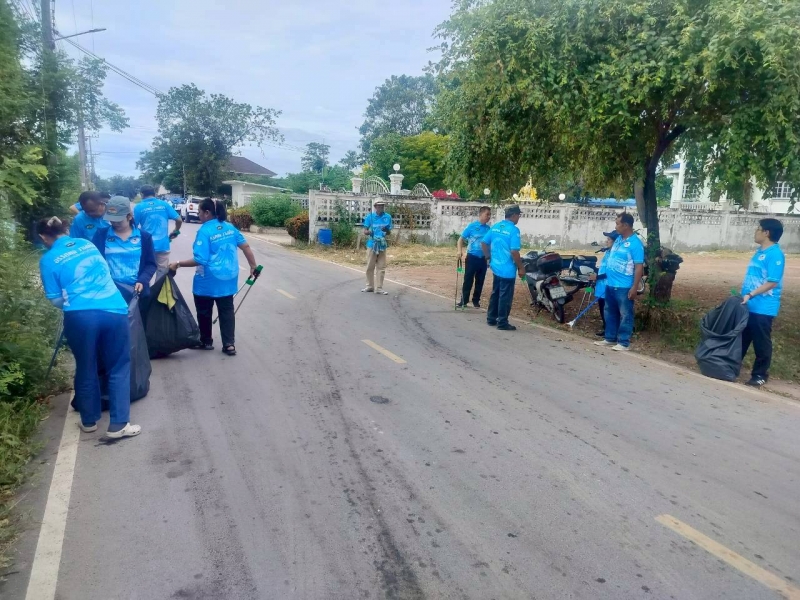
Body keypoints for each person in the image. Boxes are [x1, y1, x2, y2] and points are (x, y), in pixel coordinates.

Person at [37, 216, 141, 439]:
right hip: (114, 310)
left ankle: (88, 421)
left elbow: (55, 299)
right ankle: (118, 425)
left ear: (43, 237)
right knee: (118, 367)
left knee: (86, 366)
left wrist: (75, 304)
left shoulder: (48, 260)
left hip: (80, 317)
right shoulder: (87, 244)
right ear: (66, 230)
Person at [169, 198, 257, 356]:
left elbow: (200, 259)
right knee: (227, 310)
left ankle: (206, 341)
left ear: (207, 213)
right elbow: (245, 246)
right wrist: (253, 266)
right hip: (229, 277)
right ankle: (229, 344)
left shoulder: (204, 231)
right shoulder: (229, 227)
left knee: (204, 310)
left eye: (199, 211)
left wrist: (178, 263)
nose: (198, 214)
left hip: (208, 279)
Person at [740, 218, 785, 387]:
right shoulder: (759, 252)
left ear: (766, 233)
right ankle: (731, 366)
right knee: (742, 338)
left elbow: (772, 282)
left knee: (761, 342)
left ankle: (760, 375)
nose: (755, 232)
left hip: (764, 307)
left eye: (758, 229)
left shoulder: (775, 255)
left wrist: (751, 294)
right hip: (749, 304)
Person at [92, 195, 157, 306]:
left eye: (118, 220)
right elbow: (94, 262)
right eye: (111, 220)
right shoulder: (101, 235)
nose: (114, 223)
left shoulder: (144, 237)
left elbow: (151, 264)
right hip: (109, 292)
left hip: (136, 292)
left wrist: (142, 281)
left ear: (129, 216)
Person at [594, 213, 645, 351]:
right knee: (610, 312)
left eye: (618, 224)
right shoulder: (618, 240)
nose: (616, 226)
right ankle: (610, 338)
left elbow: (639, 267)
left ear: (626, 225)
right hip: (610, 284)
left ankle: (623, 342)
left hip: (624, 286)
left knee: (625, 314)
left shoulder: (635, 244)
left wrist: (634, 287)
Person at [481, 205, 525, 331]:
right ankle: (502, 322)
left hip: (496, 267)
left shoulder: (496, 226)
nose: (518, 218)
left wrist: (488, 257)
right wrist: (521, 268)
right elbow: (514, 251)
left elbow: (483, 242)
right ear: (514, 215)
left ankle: (491, 318)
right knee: (505, 296)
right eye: (518, 215)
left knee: (496, 293)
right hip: (508, 270)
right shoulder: (514, 230)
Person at [133, 184, 182, 276]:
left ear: (142, 194)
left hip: (146, 246)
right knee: (161, 273)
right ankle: (158, 286)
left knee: (144, 272)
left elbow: (132, 227)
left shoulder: (138, 207)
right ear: (154, 193)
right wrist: (176, 231)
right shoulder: (164, 204)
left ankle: (144, 285)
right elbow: (179, 219)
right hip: (163, 245)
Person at [457, 206, 492, 308]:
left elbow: (490, 244)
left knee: (480, 280)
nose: (489, 217)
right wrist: (459, 251)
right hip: (472, 257)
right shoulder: (472, 227)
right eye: (487, 214)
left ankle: (476, 300)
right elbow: (460, 239)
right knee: (468, 279)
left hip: (483, 259)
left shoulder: (488, 229)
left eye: (490, 215)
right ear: (481, 214)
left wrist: (489, 257)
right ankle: (464, 300)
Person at [589, 230, 620, 337]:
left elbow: (611, 272)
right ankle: (606, 328)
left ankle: (612, 331)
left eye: (609, 239)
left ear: (616, 242)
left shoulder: (615, 255)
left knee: (609, 310)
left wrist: (597, 277)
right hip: (601, 286)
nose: (607, 241)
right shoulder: (607, 252)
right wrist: (595, 275)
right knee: (602, 308)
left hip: (608, 285)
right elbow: (603, 268)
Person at [362, 200, 393, 295]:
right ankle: (369, 286)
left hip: (382, 244)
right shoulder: (370, 217)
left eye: (382, 206)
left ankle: (379, 288)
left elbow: (389, 232)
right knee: (370, 266)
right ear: (375, 207)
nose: (381, 207)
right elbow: (365, 231)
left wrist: (386, 229)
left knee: (381, 267)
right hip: (372, 244)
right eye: (379, 206)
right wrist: (369, 232)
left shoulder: (387, 217)